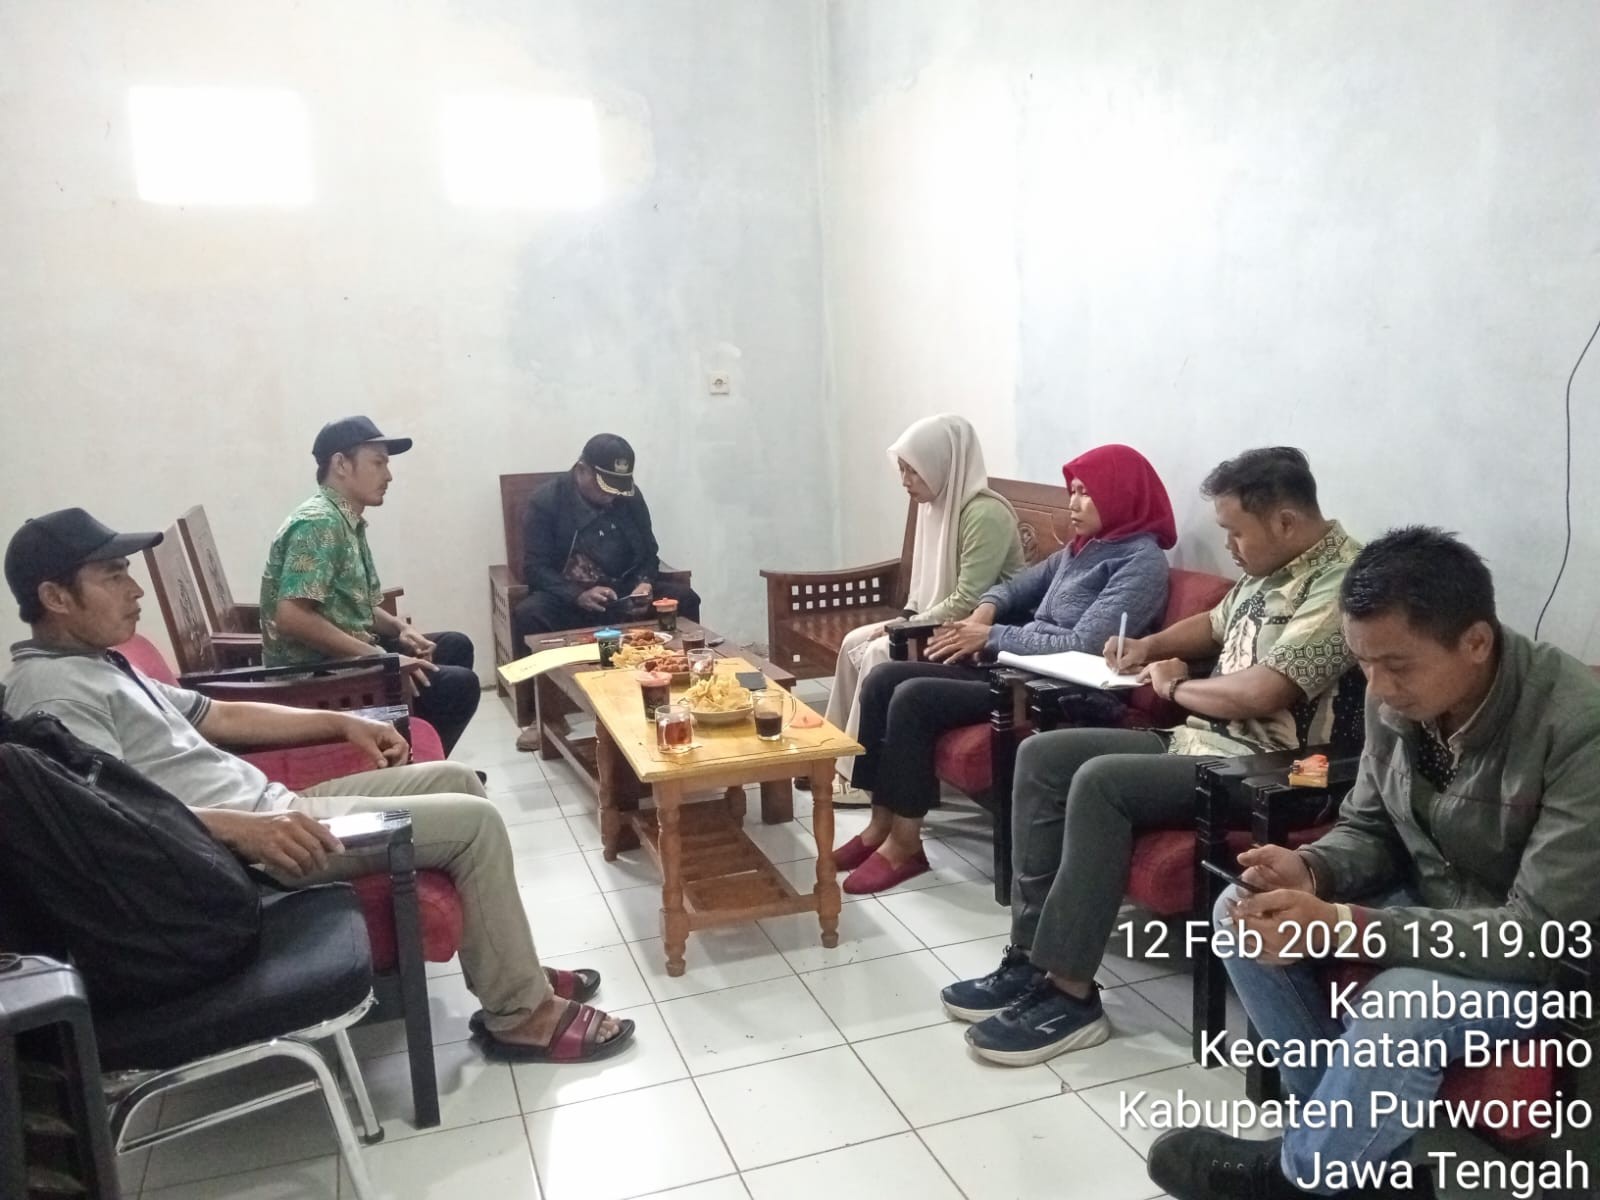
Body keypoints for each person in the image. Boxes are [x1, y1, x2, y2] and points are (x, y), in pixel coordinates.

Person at [3, 508, 634, 1064]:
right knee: (476, 826)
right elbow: (111, 823)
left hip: (273, 810)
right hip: (252, 850)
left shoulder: (95, 662)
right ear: (55, 596)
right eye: (113, 575)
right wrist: (243, 829)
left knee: (460, 780)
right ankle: (520, 1016)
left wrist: (342, 722)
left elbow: (217, 715)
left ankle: (511, 970)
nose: (134, 588)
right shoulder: (54, 695)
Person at [1147, 527, 1600, 1200]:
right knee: (1239, 910)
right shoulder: (1396, 696)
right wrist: (1313, 872)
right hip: (1430, 911)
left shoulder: (1577, 727)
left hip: (1541, 961)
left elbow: (1537, 935)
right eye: (1364, 665)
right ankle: (1352, 1158)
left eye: (1397, 667)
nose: (1380, 691)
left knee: (1402, 1004)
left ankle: (1301, 1177)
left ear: (1476, 642)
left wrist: (1343, 924)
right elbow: (1370, 827)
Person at [943, 446, 1362, 1065]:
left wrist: (1175, 688)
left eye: (1235, 532)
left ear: (1285, 521)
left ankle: (1070, 996)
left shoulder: (1341, 583)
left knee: (1102, 782)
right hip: (1205, 742)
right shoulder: (1269, 564)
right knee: (1044, 757)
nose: (1229, 546)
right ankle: (1031, 959)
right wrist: (1148, 646)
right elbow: (1214, 625)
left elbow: (1265, 691)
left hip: (1281, 769)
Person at [836, 443, 1177, 894]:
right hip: (1016, 667)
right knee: (883, 679)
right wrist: (986, 612)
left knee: (914, 697)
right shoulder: (1082, 549)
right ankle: (878, 826)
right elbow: (1016, 586)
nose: (1073, 503)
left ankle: (905, 845)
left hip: (1059, 689)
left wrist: (992, 636)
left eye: (1086, 493)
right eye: (1072, 491)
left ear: (1121, 495)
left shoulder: (1140, 563)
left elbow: (1084, 644)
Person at [816, 414, 1024, 801]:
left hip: (975, 637)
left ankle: (863, 776)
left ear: (943, 464)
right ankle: (830, 756)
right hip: (938, 621)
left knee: (880, 652)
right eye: (902, 469)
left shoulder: (984, 514)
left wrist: (902, 628)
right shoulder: (937, 505)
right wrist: (905, 619)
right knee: (853, 641)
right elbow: (923, 588)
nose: (905, 481)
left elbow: (967, 600)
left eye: (913, 470)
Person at [259, 416, 480, 755]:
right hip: (316, 677)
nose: (388, 476)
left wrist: (399, 629)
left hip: (344, 658)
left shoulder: (343, 518)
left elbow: (354, 604)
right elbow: (292, 617)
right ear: (341, 465)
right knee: (459, 686)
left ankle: (420, 755)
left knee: (453, 646)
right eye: (378, 463)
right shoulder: (318, 523)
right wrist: (382, 659)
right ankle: (412, 766)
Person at [513, 433, 701, 640]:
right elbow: (536, 568)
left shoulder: (629, 497)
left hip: (626, 593)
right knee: (530, 613)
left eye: (618, 488)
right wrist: (577, 595)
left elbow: (649, 553)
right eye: (605, 486)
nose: (612, 494)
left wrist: (645, 582)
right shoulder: (547, 501)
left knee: (685, 598)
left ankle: (683, 658)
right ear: (582, 470)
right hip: (572, 600)